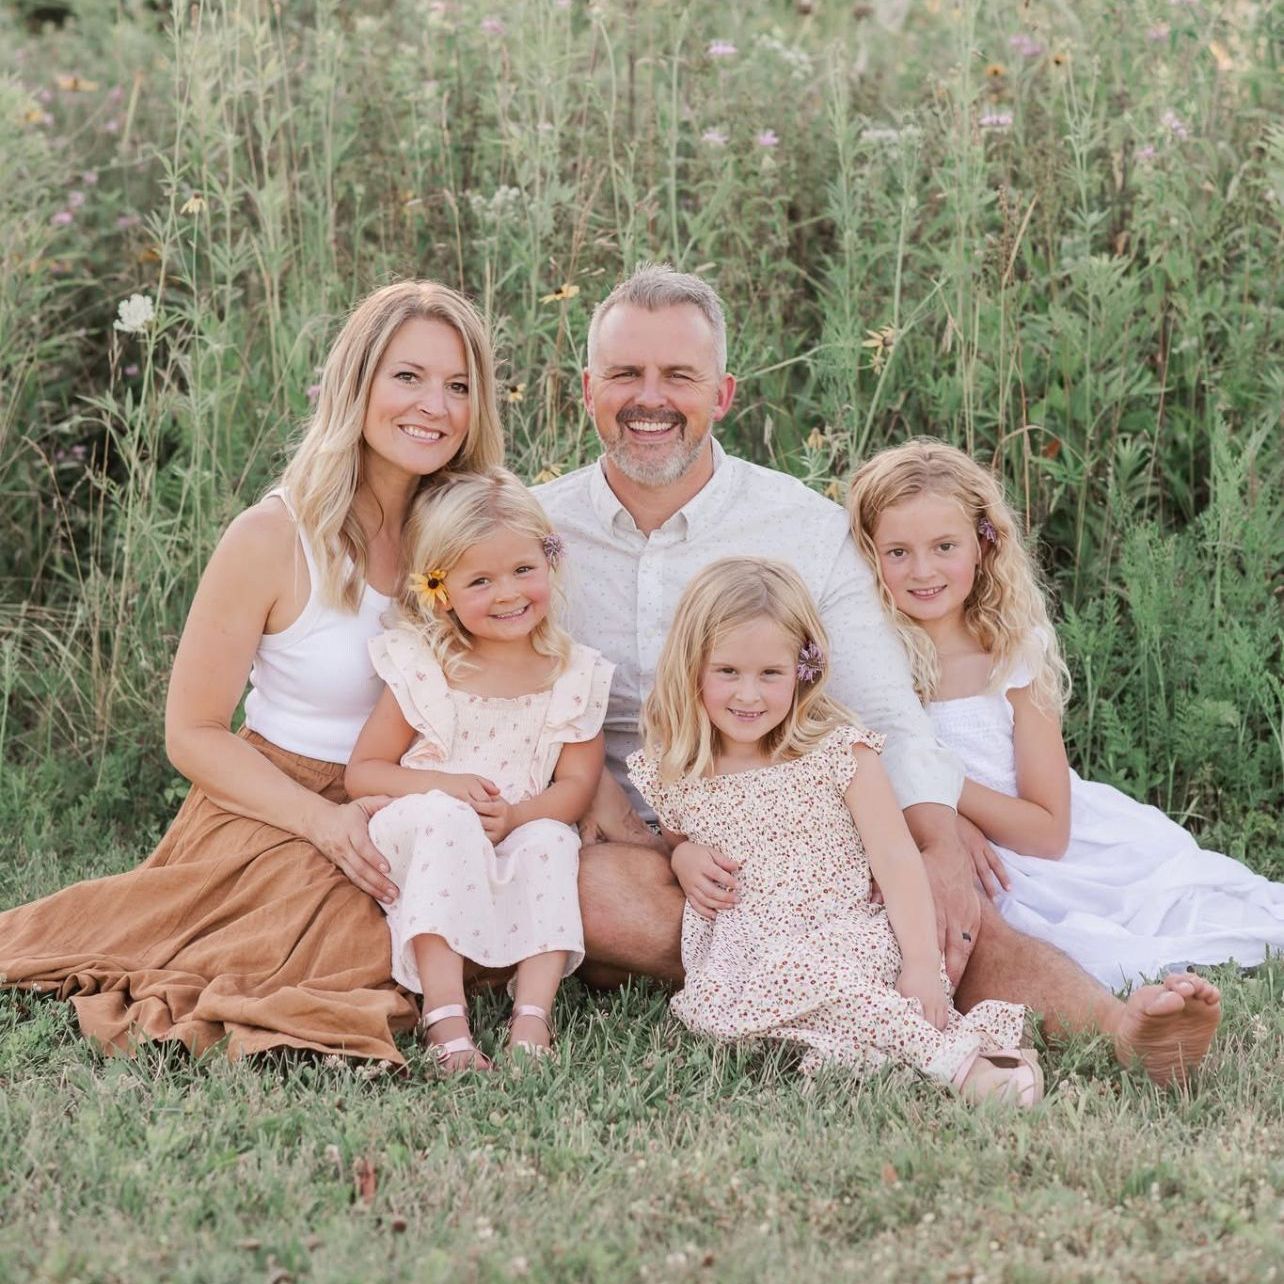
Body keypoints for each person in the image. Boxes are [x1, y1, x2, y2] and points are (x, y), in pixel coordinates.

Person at [535, 261, 1221, 1086]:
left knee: (924, 895)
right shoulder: (536, 536)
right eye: (625, 375)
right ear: (587, 388)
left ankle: (1124, 1029)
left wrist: (934, 836)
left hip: (803, 834)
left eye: (679, 376)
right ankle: (821, 981)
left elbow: (885, 710)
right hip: (647, 850)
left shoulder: (803, 526)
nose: (651, 398)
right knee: (582, 889)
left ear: (722, 396)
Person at [0, 280, 505, 1065]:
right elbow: (192, 733)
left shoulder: (473, 537)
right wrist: (325, 821)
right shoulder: (273, 536)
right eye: (408, 377)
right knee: (343, 941)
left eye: (458, 386)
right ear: (358, 384)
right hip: (281, 802)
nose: (434, 406)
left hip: (419, 800)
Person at [847, 437, 1284, 989]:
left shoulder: (1011, 657)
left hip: (1043, 857)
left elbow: (1050, 832)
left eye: (944, 547)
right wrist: (944, 821)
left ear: (983, 546)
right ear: (868, 556)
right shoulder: (870, 666)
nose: (922, 570)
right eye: (897, 552)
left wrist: (938, 785)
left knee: (1144, 929)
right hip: (938, 849)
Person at [628, 557, 1043, 1104]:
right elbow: (677, 836)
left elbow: (897, 861)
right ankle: (976, 1054)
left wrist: (921, 964)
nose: (749, 696)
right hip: (747, 951)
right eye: (727, 672)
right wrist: (682, 859)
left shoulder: (838, 753)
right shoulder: (675, 767)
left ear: (801, 669)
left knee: (820, 980)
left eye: (770, 674)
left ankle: (960, 1068)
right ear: (692, 667)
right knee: (796, 1017)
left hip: (849, 933)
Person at [345, 469, 612, 1071]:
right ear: (440, 592)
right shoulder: (425, 666)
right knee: (447, 819)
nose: (508, 594)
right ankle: (446, 1021)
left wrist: (518, 815)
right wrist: (444, 786)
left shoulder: (576, 677)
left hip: (513, 824)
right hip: (420, 825)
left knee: (551, 839)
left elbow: (574, 787)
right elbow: (364, 772)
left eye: (523, 570)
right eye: (480, 580)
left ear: (550, 562)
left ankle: (531, 1015)